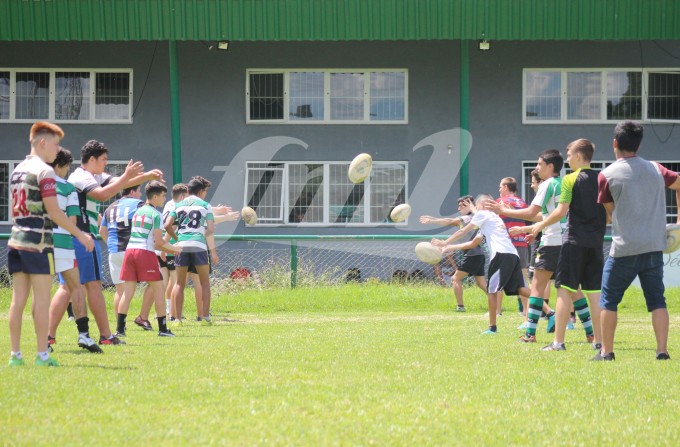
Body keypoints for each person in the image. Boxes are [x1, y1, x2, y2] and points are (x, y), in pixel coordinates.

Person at [7, 122, 94, 367]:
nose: (58, 150)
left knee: (17, 301)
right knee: (42, 300)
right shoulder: (45, 173)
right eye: (56, 144)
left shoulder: (16, 171)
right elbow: (55, 213)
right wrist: (81, 234)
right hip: (39, 243)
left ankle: (15, 355)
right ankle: (42, 355)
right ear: (42, 142)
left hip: (16, 241)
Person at [595, 121, 680, 361]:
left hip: (624, 248)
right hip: (654, 246)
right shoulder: (656, 168)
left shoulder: (606, 175)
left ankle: (607, 352)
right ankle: (662, 351)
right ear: (639, 144)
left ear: (615, 143)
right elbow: (679, 184)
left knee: (609, 300)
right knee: (657, 300)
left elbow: (610, 213)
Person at [67, 139, 163, 346]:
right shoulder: (81, 176)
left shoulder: (95, 175)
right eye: (103, 160)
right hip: (83, 237)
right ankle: (104, 335)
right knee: (91, 286)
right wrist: (129, 177)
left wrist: (145, 176)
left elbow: (119, 182)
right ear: (91, 159)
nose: (105, 164)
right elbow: (102, 195)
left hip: (95, 242)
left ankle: (51, 336)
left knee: (71, 288)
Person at [526, 139, 605, 352]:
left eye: (569, 155)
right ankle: (599, 342)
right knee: (594, 294)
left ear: (579, 156)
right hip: (596, 244)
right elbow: (609, 215)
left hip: (574, 243)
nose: (567, 159)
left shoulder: (569, 179)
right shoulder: (602, 178)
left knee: (563, 291)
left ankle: (558, 343)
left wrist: (538, 226)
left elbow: (561, 212)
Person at [488, 149, 562, 342]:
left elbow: (531, 213)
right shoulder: (563, 184)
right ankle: (590, 334)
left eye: (539, 165)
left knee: (534, 286)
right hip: (561, 241)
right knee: (568, 288)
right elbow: (545, 216)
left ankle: (529, 332)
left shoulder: (547, 185)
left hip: (543, 243)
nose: (536, 169)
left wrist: (504, 210)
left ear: (550, 166)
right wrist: (529, 230)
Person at [433, 195, 530, 334]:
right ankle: (549, 312)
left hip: (501, 255)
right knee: (521, 289)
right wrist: (450, 248)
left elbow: (462, 231)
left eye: (475, 206)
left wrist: (445, 242)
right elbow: (472, 243)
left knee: (492, 291)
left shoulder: (483, 214)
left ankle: (492, 327)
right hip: (512, 254)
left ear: (481, 206)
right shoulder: (492, 219)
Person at [46, 147, 101, 354]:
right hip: (64, 244)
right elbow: (72, 220)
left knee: (42, 292)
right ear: (60, 166)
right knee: (76, 287)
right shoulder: (68, 188)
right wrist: (80, 235)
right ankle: (84, 335)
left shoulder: (37, 185)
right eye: (67, 168)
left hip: (39, 243)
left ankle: (45, 340)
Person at [115, 181, 181, 338]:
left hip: (129, 251)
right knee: (159, 288)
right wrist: (176, 249)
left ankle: (120, 330)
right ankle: (163, 329)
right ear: (155, 196)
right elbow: (158, 243)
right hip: (144, 253)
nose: (164, 199)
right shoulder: (156, 214)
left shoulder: (138, 211)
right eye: (163, 196)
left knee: (128, 291)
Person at [420, 195, 487, 312]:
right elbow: (451, 222)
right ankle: (496, 304)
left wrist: (432, 221)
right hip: (478, 254)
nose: (459, 208)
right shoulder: (472, 218)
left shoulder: (469, 218)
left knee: (455, 279)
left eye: (462, 205)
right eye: (459, 206)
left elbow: (450, 221)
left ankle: (460, 307)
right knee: (481, 283)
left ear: (470, 205)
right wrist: (432, 219)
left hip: (472, 254)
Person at [165, 176, 217, 325]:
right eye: (205, 191)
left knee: (179, 283)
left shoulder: (178, 205)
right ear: (200, 191)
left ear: (188, 190)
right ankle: (205, 317)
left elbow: (168, 225)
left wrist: (177, 237)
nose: (205, 194)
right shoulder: (206, 205)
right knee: (204, 283)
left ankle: (177, 319)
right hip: (199, 246)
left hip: (181, 246)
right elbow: (211, 228)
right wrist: (201, 234)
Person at [99, 185, 153, 326]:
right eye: (139, 191)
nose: (141, 194)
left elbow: (102, 230)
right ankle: (143, 316)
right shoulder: (139, 204)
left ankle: (120, 325)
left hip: (114, 251)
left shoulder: (110, 207)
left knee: (120, 290)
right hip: (133, 250)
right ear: (132, 191)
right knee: (156, 282)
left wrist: (110, 244)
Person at [496, 177, 531, 317]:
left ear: (505, 187)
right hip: (522, 243)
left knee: (498, 277)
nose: (499, 190)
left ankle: (497, 311)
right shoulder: (522, 202)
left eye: (500, 187)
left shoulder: (500, 202)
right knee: (523, 278)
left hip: (506, 244)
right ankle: (527, 311)